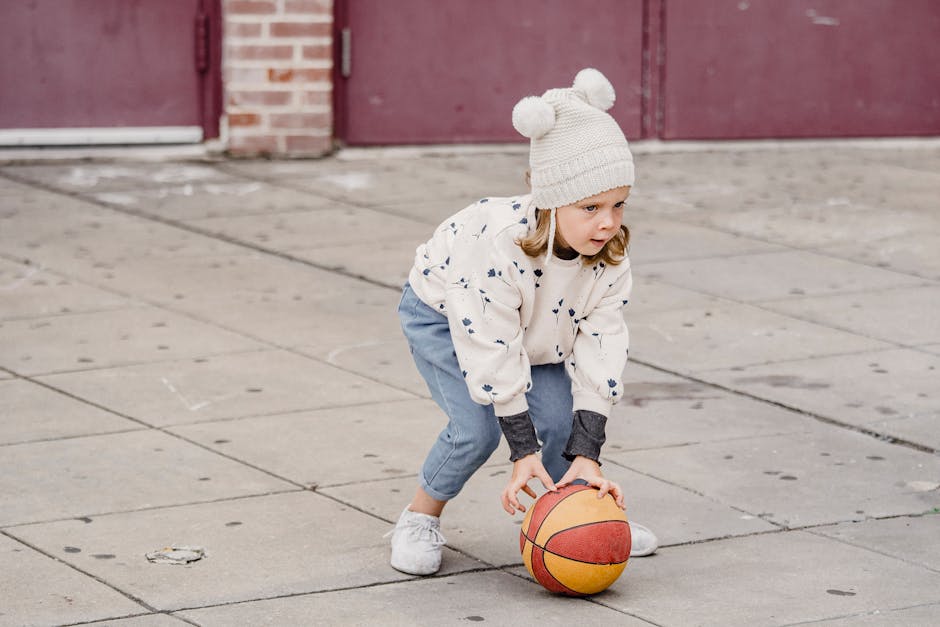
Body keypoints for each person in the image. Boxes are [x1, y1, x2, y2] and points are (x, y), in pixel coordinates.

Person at [388, 68, 658, 576]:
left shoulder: (609, 257)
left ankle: (576, 515)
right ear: (552, 200)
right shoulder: (498, 247)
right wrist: (521, 450)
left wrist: (589, 453)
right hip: (448, 316)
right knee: (475, 430)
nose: (608, 221)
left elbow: (603, 346)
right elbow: (488, 343)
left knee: (558, 422)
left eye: (619, 204)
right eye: (591, 207)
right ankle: (419, 518)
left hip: (542, 326)